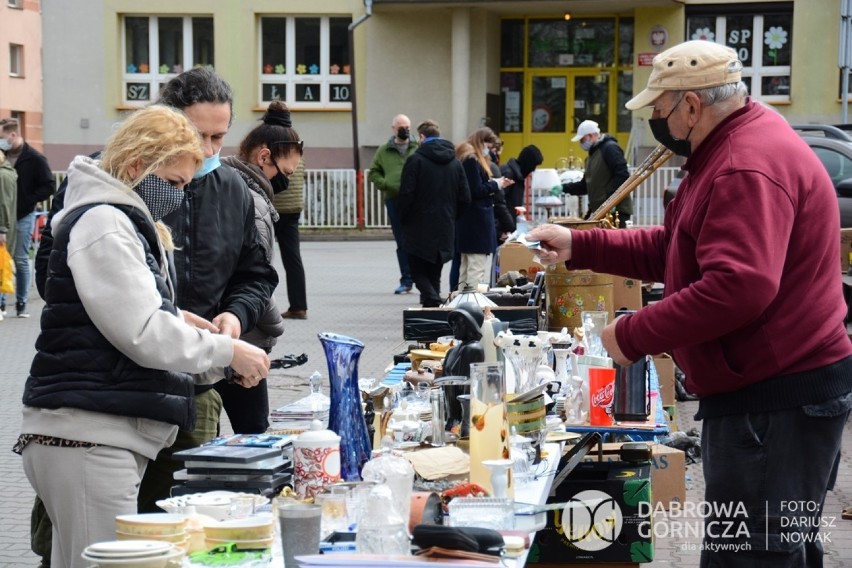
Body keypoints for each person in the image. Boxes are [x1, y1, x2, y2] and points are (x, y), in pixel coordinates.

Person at [528, 40, 852, 567]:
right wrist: (580, 242)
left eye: (660, 110)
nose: (657, 122)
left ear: (692, 106)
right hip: (773, 393)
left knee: (752, 555)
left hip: (776, 402)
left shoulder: (743, 165)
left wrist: (629, 337)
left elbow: (738, 287)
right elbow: (676, 249)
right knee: (777, 548)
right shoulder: (733, 146)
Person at [16, 104, 271, 568]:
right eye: (173, 183)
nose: (178, 197)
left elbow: (132, 317)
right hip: (91, 436)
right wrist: (227, 350)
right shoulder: (105, 222)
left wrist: (180, 320)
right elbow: (142, 333)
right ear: (137, 166)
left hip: (93, 434)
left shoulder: (112, 217)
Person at [219, 99, 305, 433]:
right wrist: (270, 328)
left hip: (231, 330)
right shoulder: (252, 203)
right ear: (263, 156)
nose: (286, 181)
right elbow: (253, 277)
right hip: (241, 336)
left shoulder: (232, 184)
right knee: (254, 435)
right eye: (285, 174)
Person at [398, 119, 470, 307]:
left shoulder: (415, 160)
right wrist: (452, 216)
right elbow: (465, 197)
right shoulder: (454, 162)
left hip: (418, 226)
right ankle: (432, 315)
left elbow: (406, 194)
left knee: (417, 271)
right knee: (434, 272)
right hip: (445, 225)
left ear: (422, 137)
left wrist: (403, 219)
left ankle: (433, 301)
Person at [0, 118, 55, 318]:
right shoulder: (3, 156)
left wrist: (28, 201)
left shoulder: (34, 158)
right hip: (3, 217)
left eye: (2, 136)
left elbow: (49, 185)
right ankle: (1, 303)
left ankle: (22, 303)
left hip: (23, 215)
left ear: (13, 135)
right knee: (1, 259)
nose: (0, 140)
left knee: (21, 259)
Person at [454, 127, 514, 291]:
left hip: (468, 221)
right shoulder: (472, 160)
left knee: (466, 268)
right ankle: (471, 303)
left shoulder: (465, 157)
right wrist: (496, 184)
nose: (489, 149)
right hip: (476, 222)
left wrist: (494, 183)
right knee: (475, 267)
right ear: (481, 142)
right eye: (488, 145)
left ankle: (462, 301)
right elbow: (477, 190)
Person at [369, 114, 418, 294]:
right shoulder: (384, 150)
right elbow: (374, 171)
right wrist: (385, 184)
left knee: (417, 240)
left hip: (415, 201)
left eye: (407, 126)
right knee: (402, 241)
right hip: (394, 199)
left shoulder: (417, 147)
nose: (404, 129)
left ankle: (418, 277)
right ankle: (406, 279)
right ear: (393, 128)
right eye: (400, 126)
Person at [557, 119, 631, 227]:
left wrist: (612, 200)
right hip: (601, 210)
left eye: (582, 140)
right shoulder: (591, 156)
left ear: (591, 136)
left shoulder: (610, 148)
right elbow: (585, 186)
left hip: (616, 211)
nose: (581, 144)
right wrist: (563, 188)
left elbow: (622, 175)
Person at [272, 154, 308, 320]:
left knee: (260, 258)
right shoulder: (299, 156)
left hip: (273, 209)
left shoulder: (272, 153)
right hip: (293, 211)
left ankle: (261, 307)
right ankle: (299, 306)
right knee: (293, 260)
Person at [500, 144, 543, 213]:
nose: (533, 169)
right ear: (528, 164)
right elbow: (498, 202)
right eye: (534, 165)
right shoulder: (509, 174)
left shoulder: (516, 175)